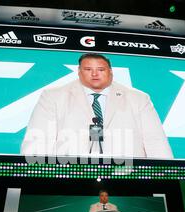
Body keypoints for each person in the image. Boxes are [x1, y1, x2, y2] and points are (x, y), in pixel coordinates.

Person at [21, 53, 173, 159]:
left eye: (100, 70)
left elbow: (156, 141)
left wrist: (165, 179)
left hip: (127, 174)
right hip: (70, 175)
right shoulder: (53, 96)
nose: (95, 74)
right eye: (88, 70)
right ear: (79, 72)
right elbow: (38, 140)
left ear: (111, 72)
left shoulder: (139, 98)